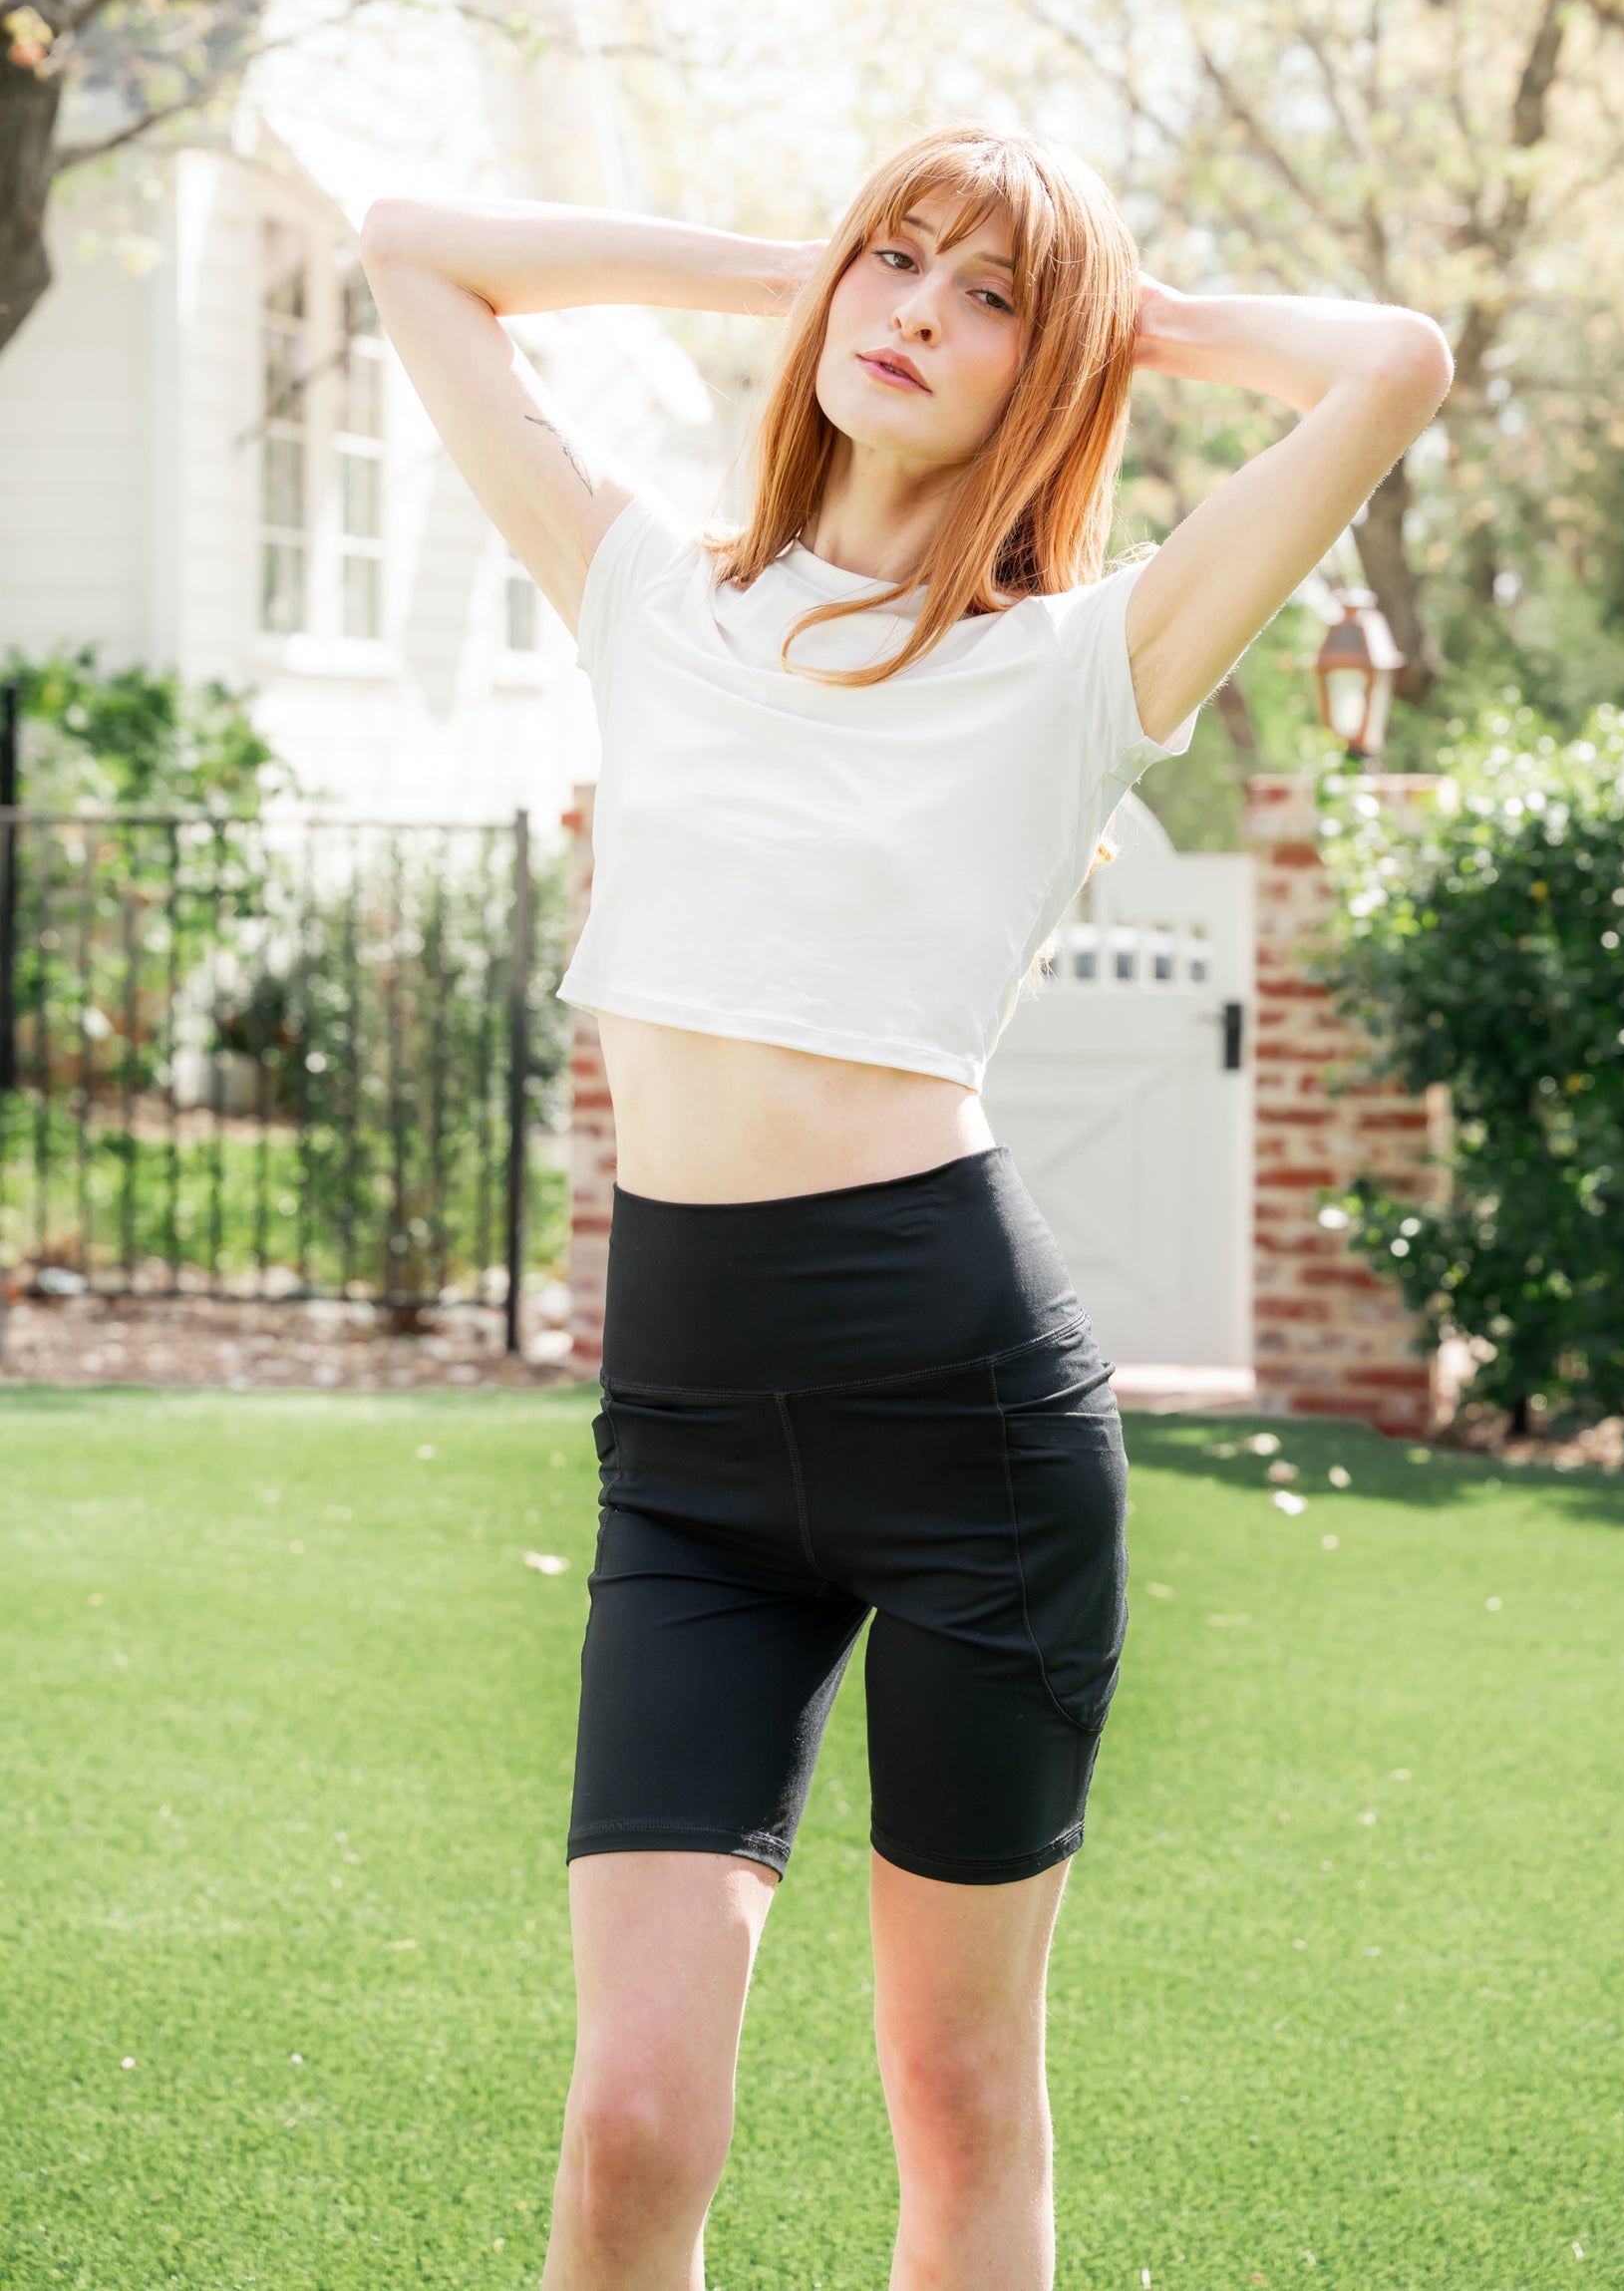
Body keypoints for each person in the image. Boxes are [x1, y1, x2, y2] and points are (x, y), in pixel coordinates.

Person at [360, 124, 1452, 2291]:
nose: (918, 317)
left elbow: (1393, 363)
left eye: (985, 300)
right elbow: (412, 248)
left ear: (1047, 368)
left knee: (956, 2096)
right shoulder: (651, 590)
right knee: (634, 2116)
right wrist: (804, 262)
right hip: (688, 1450)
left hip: (968, 1432)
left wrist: (1120, 315)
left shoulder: (1090, 664)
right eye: (900, 264)